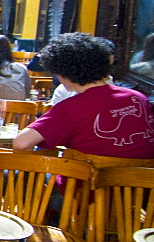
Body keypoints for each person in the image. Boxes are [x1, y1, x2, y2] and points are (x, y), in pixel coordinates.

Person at [13, 32, 154, 158]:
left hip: (87, 185)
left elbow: (21, 143)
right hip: (140, 184)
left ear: (62, 74)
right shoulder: (138, 98)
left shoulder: (70, 108)